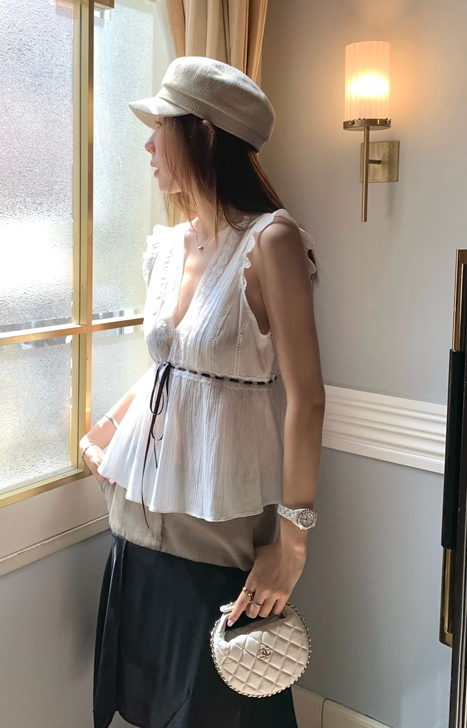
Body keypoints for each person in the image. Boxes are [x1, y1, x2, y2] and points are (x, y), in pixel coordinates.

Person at [80, 56, 325, 728]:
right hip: (138, 507)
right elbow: (174, 367)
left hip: (217, 522)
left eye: (161, 127)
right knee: (151, 696)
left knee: (219, 701)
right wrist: (107, 428)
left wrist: (292, 545)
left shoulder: (271, 241)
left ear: (205, 135)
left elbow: (308, 399)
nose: (149, 145)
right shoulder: (170, 245)